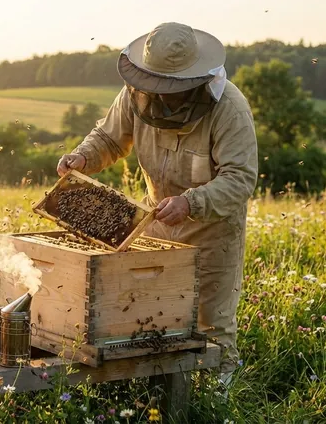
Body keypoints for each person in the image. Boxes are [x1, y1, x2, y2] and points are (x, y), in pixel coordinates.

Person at [57, 22, 258, 391]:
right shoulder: (135, 95)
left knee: (212, 324)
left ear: (195, 80)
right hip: (154, 225)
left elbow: (240, 178)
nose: (163, 95)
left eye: (173, 88)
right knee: (150, 314)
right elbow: (108, 138)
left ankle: (214, 400)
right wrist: (83, 157)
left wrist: (192, 202)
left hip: (212, 232)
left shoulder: (229, 107)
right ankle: (155, 393)